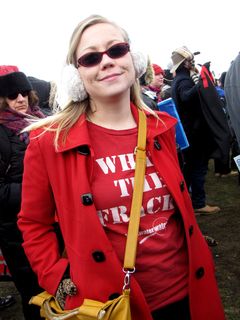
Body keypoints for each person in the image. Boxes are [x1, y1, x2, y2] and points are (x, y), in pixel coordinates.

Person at [18, 15, 225, 320]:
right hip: (110, 305)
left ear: (133, 59)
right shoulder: (49, 143)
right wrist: (59, 278)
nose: (106, 61)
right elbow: (33, 225)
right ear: (76, 76)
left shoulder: (161, 128)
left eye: (116, 50)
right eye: (90, 57)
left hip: (187, 294)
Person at [0, 65, 44, 319]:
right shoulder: (2, 134)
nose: (20, 99)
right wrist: (39, 192)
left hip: (50, 223)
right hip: (16, 231)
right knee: (33, 293)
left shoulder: (41, 120)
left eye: (24, 93)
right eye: (12, 95)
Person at [170, 46, 221, 214]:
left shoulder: (179, 79)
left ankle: (184, 202)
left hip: (189, 132)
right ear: (185, 63)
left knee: (190, 168)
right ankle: (198, 203)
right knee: (197, 167)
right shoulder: (184, 80)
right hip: (194, 133)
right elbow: (186, 96)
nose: (192, 63)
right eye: (189, 61)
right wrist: (199, 84)